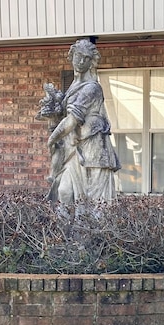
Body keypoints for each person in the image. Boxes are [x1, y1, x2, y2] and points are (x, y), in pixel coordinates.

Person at [45, 38, 120, 203]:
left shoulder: (92, 88)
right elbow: (64, 121)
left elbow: (72, 121)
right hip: (74, 148)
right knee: (64, 191)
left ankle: (86, 229)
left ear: (91, 62)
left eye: (86, 58)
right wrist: (53, 117)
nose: (80, 61)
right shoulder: (73, 86)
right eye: (78, 55)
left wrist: (52, 138)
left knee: (93, 204)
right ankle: (62, 229)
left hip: (93, 152)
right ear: (71, 56)